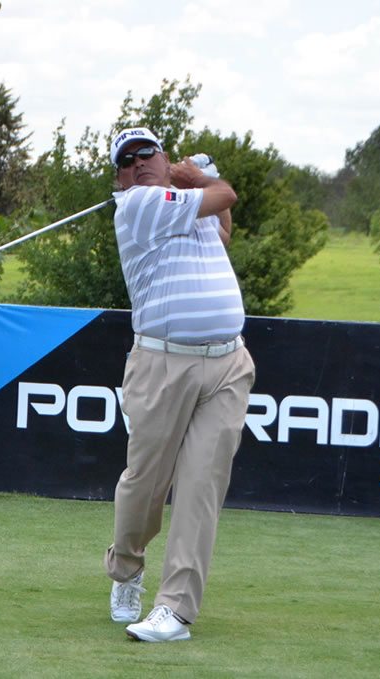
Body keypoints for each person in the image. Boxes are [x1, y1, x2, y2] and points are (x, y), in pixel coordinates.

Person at [104, 127, 256, 642]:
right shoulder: (138, 205)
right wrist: (200, 176)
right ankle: (126, 567)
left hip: (228, 364)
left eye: (147, 153)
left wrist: (195, 182)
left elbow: (223, 228)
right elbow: (226, 195)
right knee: (144, 486)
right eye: (127, 161)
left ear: (163, 156)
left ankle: (175, 610)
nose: (138, 163)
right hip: (161, 364)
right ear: (121, 180)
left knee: (200, 487)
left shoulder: (185, 205)